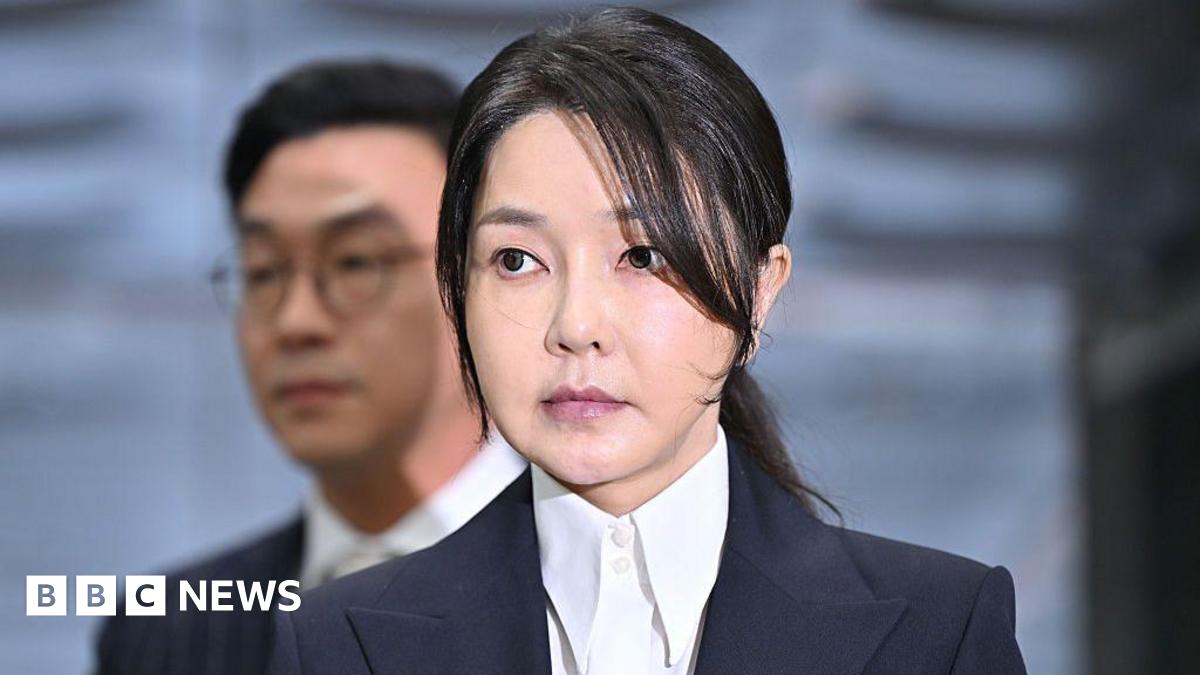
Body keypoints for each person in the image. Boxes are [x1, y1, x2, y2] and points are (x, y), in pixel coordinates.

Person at [267, 9, 1027, 674]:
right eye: (517, 260)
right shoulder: (341, 645)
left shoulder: (937, 634)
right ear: (457, 292)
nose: (576, 326)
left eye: (643, 256)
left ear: (760, 293)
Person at [94, 60, 526, 674]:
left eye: (354, 263)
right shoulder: (168, 631)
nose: (297, 321)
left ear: (480, 275)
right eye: (264, 270)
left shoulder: (605, 584)